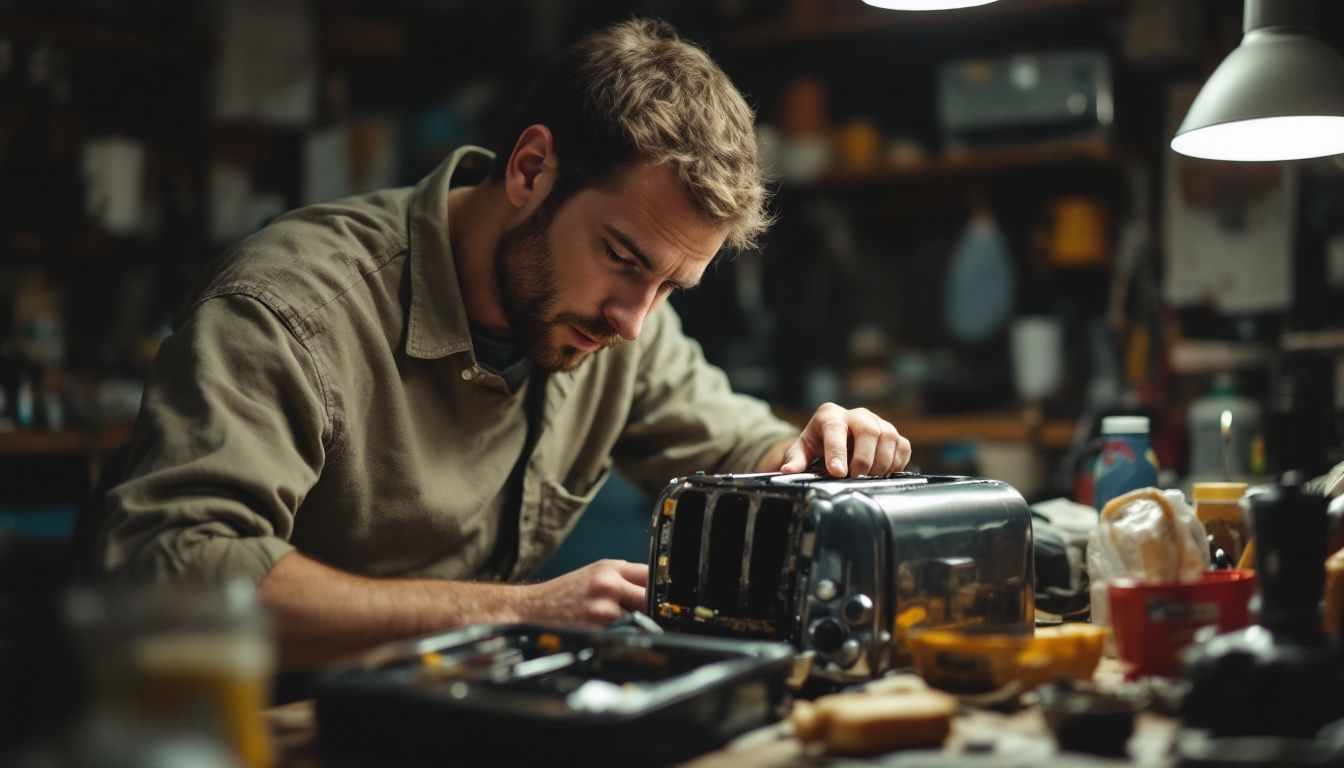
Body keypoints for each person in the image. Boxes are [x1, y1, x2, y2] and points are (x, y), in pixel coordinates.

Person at [97, 19, 911, 670]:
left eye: (669, 286)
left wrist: (814, 450)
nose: (634, 320)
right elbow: (171, 568)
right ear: (530, 170)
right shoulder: (291, 308)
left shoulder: (623, 322)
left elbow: (740, 444)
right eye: (623, 259)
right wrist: (516, 609)